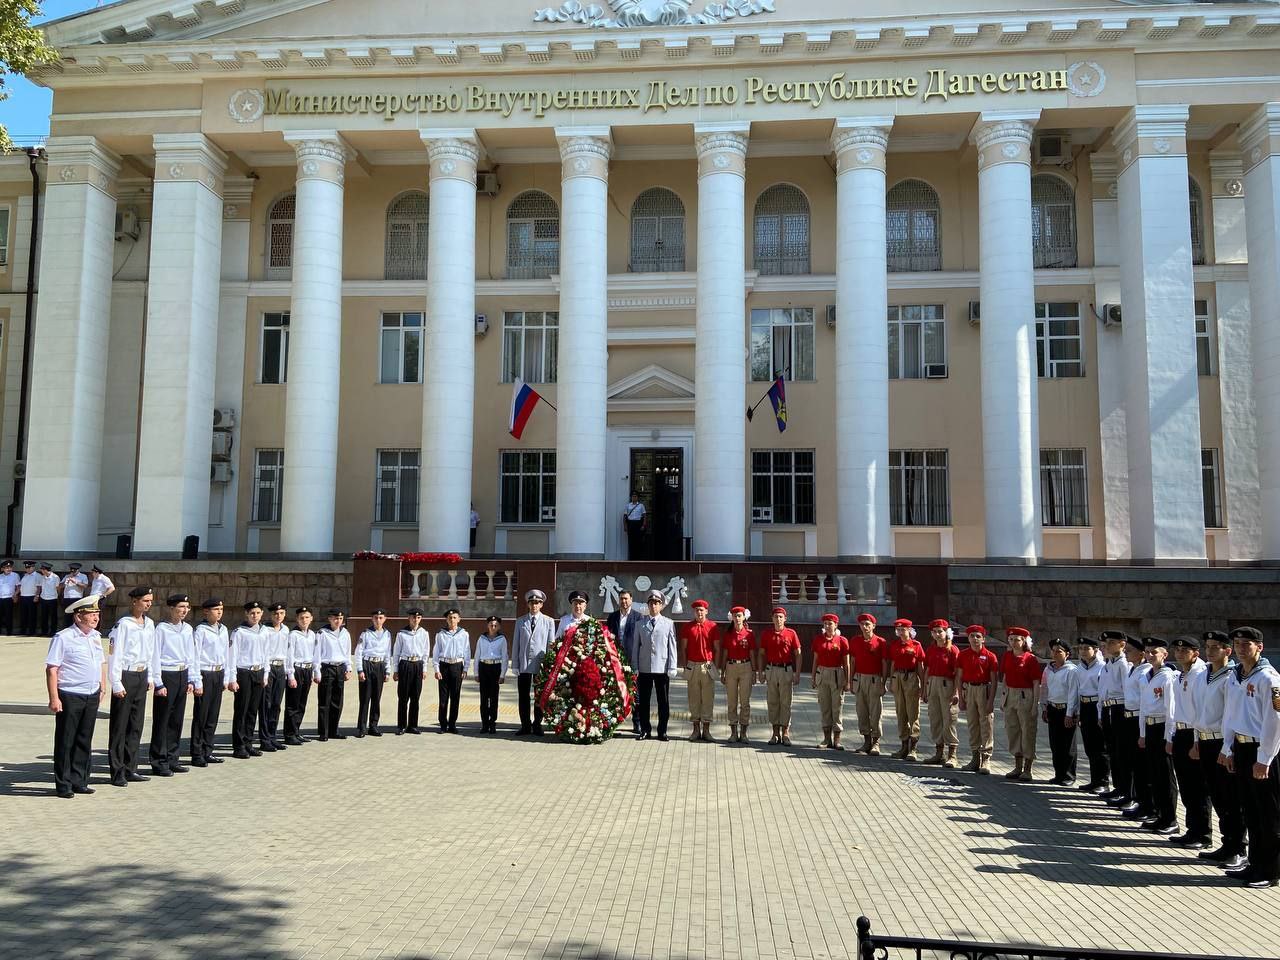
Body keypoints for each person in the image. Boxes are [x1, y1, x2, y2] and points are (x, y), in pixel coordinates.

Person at [1220, 626, 1280, 888]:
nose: (1242, 648)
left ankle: (1271, 870)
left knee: (1269, 814)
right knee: (1251, 811)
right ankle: (1255, 864)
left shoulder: (1270, 678)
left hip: (1263, 751)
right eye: (1238, 643)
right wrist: (1227, 747)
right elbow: (1231, 713)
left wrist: (1265, 758)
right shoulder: (1235, 675)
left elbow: (1275, 720)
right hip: (1242, 749)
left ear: (1259, 647)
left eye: (1248, 643)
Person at [46, 595, 107, 798]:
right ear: (78, 616)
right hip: (70, 694)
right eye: (92, 614)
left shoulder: (96, 637)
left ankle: (79, 780)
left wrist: (102, 687)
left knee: (84, 739)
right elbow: (52, 669)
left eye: (97, 614)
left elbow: (100, 664)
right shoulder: (63, 637)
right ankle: (63, 784)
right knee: (66, 740)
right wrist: (54, 698)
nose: (96, 617)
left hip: (91, 693)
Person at [1195, 630, 1245, 868]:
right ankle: (1227, 843)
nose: (1210, 650)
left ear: (1228, 650)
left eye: (1216, 647)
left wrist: (1228, 748)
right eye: (1208, 646)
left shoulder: (1231, 677)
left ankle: (1238, 848)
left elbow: (1231, 715)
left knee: (1230, 798)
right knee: (1217, 796)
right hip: (1205, 740)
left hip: (1222, 742)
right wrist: (1196, 739)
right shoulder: (1204, 674)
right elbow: (1198, 711)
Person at [107, 586, 158, 787]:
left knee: (136, 725)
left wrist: (151, 676)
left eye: (150, 600)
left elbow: (152, 651)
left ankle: (131, 767)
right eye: (145, 600)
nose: (149, 604)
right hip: (126, 675)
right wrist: (116, 681)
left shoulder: (149, 623)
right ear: (134, 601)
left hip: (141, 674)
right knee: (120, 726)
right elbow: (115, 653)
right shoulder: (123, 625)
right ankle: (117, 771)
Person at [1168, 635, 1209, 849]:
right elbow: (1175, 710)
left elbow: (1199, 710)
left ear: (1196, 653)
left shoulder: (1200, 674)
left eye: (1186, 650)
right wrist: (1171, 735)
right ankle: (1192, 830)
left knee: (1198, 787)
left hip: (1195, 733)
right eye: (1178, 650)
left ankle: (1204, 835)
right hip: (1181, 733)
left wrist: (1196, 742)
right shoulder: (1181, 675)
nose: (1180, 653)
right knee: (1186, 785)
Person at [149, 594, 195, 777]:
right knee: (163, 720)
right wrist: (158, 682)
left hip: (182, 673)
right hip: (167, 674)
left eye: (187, 607)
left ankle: (172, 758)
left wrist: (192, 678)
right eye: (181, 607)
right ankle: (159, 761)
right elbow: (155, 655)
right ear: (171, 608)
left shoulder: (188, 629)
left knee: (176, 719)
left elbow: (191, 655)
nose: (184, 610)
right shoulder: (161, 629)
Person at [1137, 636, 1178, 833]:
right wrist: (1142, 733)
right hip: (1150, 727)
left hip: (1162, 728)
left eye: (1155, 652)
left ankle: (1170, 819)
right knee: (1154, 773)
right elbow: (1143, 707)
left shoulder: (1168, 676)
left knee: (1165, 775)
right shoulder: (1147, 675)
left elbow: (1171, 710)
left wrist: (1170, 737)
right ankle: (1159, 814)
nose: (1150, 655)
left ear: (1165, 654)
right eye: (1147, 652)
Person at [228, 600, 269, 759]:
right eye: (252, 613)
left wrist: (265, 674)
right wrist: (233, 678)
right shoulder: (239, 632)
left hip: (258, 672)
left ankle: (248, 742)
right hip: (243, 672)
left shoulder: (264, 631)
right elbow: (233, 655)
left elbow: (267, 653)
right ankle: (239, 746)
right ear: (246, 614)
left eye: (258, 613)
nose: (255, 616)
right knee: (242, 710)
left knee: (253, 710)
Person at [1000, 626, 1042, 781]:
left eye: (1016, 639)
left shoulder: (1030, 658)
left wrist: (1034, 704)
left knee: (1027, 731)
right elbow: (1005, 677)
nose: (1013, 642)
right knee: (1013, 730)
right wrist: (1003, 697)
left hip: (1025, 695)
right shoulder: (1007, 656)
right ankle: (1017, 766)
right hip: (1010, 694)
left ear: (1024, 641)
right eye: (1010, 639)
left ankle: (1027, 768)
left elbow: (1036, 682)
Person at [1119, 635, 1154, 819]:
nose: (1126, 653)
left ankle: (1147, 804)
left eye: (1129, 650)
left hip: (1139, 719)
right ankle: (1139, 800)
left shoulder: (1145, 671)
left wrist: (1142, 731)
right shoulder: (1134, 669)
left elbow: (1144, 701)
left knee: (1142, 766)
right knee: (1132, 762)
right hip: (1129, 717)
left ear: (1141, 653)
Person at [190, 598, 228, 766]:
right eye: (215, 609)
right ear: (206, 611)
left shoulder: (224, 629)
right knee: (201, 715)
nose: (219, 612)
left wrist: (226, 677)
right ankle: (197, 753)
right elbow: (195, 656)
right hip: (205, 673)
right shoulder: (201, 630)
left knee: (213, 715)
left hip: (218, 673)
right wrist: (197, 680)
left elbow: (226, 654)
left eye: (221, 609)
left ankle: (208, 750)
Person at [635, 590, 678, 741]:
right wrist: (635, 666)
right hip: (645, 667)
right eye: (651, 603)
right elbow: (636, 646)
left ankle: (662, 731)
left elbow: (672, 646)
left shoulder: (668, 623)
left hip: (662, 668)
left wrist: (672, 666)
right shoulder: (640, 624)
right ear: (648, 606)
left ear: (661, 606)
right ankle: (645, 730)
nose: (654, 606)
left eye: (656, 603)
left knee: (663, 701)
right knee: (644, 701)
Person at [956, 625, 998, 774]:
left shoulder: (990, 656)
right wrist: (960, 697)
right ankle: (974, 758)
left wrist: (991, 701)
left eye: (978, 636)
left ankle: (986, 759)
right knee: (973, 724)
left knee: (986, 724)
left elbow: (994, 681)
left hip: (983, 690)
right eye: (972, 636)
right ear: (968, 638)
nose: (975, 639)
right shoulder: (963, 655)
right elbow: (959, 678)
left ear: (983, 639)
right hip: (969, 690)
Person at [512, 589, 555, 735]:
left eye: (537, 603)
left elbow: (551, 644)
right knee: (523, 695)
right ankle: (525, 725)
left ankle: (537, 724)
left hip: (540, 664)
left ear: (541, 605)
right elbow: (516, 643)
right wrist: (515, 665)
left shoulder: (549, 621)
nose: (534, 605)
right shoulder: (520, 621)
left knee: (540, 695)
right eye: (532, 602)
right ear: (528, 604)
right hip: (524, 663)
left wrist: (550, 666)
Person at [760, 606, 802, 746]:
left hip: (786, 670)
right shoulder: (767, 634)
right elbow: (761, 654)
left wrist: (797, 674)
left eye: (780, 617)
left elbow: (798, 654)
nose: (778, 619)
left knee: (786, 702)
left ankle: (785, 733)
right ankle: (775, 733)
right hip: (771, 669)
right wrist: (761, 672)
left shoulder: (791, 633)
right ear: (772, 619)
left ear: (785, 618)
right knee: (772, 702)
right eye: (776, 617)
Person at [1099, 630, 1133, 804]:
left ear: (1122, 644)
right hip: (1109, 707)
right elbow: (1103, 689)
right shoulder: (1109, 664)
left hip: (1120, 707)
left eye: (1112, 642)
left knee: (1122, 751)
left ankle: (1126, 790)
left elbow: (1126, 690)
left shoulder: (1123, 664)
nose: (1107, 645)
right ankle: (1118, 787)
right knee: (1113, 749)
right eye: (1106, 643)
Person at [922, 619, 961, 768]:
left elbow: (958, 673)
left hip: (947, 686)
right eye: (935, 632)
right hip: (933, 685)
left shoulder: (953, 650)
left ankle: (952, 755)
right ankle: (939, 753)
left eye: (940, 631)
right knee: (935, 718)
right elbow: (927, 670)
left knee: (949, 719)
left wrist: (956, 692)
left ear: (946, 632)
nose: (938, 634)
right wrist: (924, 690)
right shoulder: (931, 649)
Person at [1041, 638, 1080, 786]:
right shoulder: (1048, 669)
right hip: (1052, 708)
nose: (1055, 654)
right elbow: (1044, 689)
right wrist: (1044, 707)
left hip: (1066, 710)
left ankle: (1069, 775)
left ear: (1067, 654)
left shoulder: (1072, 670)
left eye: (1059, 651)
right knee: (1055, 744)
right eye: (1053, 651)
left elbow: (1073, 693)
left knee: (1067, 745)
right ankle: (1058, 774)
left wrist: (1070, 713)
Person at [1075, 635, 1111, 794]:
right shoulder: (1079, 667)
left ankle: (1103, 781)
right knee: (1089, 746)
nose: (1083, 651)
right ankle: (1094, 779)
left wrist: (1100, 714)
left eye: (1086, 648)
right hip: (1084, 705)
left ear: (1095, 650)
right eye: (1081, 648)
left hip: (1096, 706)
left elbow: (1103, 691)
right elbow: (1076, 690)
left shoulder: (1102, 667)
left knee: (1100, 747)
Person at [887, 619, 926, 760]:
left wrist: (923, 684)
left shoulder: (916, 645)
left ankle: (913, 748)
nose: (901, 632)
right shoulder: (895, 645)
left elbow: (920, 667)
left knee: (913, 712)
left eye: (903, 629)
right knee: (900, 712)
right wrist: (891, 680)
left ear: (910, 630)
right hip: (898, 677)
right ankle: (903, 745)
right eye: (898, 629)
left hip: (911, 678)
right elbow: (892, 664)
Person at [607, 590, 644, 735]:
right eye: (621, 599)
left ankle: (637, 722)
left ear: (631, 600)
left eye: (626, 599)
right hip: (615, 659)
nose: (624, 601)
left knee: (635, 692)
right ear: (618, 600)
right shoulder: (613, 617)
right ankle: (614, 722)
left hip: (632, 658)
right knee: (615, 691)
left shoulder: (638, 617)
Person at [681, 599, 718, 742]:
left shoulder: (712, 626)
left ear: (706, 611)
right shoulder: (687, 627)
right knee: (694, 698)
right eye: (697, 610)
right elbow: (683, 648)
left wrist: (717, 665)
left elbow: (717, 648)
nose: (699, 612)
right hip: (693, 665)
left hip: (707, 665)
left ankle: (707, 731)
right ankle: (696, 730)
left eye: (702, 610)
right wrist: (685, 665)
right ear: (694, 612)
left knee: (708, 698)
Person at [849, 613, 887, 755]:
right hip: (859, 679)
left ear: (873, 626)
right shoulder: (855, 641)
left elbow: (884, 663)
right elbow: (852, 661)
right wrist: (850, 680)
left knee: (875, 712)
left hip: (874, 680)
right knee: (862, 711)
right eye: (862, 624)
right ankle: (866, 741)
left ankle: (876, 742)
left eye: (867, 624)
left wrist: (883, 682)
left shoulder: (880, 642)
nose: (864, 627)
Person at [811, 613, 849, 750]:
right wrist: (813, 676)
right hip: (822, 673)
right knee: (825, 706)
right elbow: (815, 659)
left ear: (836, 625)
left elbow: (846, 663)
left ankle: (837, 740)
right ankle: (826, 739)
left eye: (830, 623)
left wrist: (847, 680)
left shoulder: (842, 640)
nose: (827, 626)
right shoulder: (818, 640)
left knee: (837, 707)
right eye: (825, 624)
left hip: (836, 674)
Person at [718, 606, 756, 743]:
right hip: (731, 667)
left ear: (744, 617)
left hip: (746, 667)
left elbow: (752, 653)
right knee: (732, 701)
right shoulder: (728, 634)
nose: (737, 618)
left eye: (739, 615)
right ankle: (733, 732)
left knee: (745, 702)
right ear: (732, 618)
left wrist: (754, 672)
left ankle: (744, 733)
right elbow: (725, 654)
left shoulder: (749, 634)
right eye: (735, 616)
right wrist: (722, 671)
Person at [314, 608, 353, 741]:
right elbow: (317, 653)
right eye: (335, 618)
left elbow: (347, 652)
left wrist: (349, 668)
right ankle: (323, 732)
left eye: (340, 619)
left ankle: (334, 730)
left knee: (337, 701)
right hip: (327, 667)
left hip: (340, 668)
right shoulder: (322, 633)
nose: (338, 621)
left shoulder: (345, 633)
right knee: (325, 701)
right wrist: (317, 671)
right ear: (330, 619)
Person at [354, 608, 392, 737]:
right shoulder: (365, 633)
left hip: (380, 666)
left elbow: (388, 653)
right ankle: (362, 727)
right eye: (375, 618)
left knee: (376, 697)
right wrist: (360, 670)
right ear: (372, 619)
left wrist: (388, 670)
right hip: (367, 665)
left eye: (381, 618)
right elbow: (358, 652)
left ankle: (373, 726)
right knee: (365, 698)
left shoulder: (387, 634)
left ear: (385, 619)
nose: (378, 620)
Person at [258, 602, 291, 751]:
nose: (278, 616)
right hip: (269, 666)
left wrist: (289, 672)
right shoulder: (265, 630)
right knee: (267, 704)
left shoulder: (286, 630)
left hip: (280, 667)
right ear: (270, 615)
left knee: (277, 704)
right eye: (275, 614)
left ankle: (272, 736)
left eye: (281, 613)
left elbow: (288, 652)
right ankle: (264, 739)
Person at [433, 608, 470, 734]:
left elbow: (467, 652)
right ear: (446, 620)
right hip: (444, 666)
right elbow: (436, 652)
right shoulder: (440, 634)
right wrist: (437, 669)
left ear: (459, 619)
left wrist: (465, 669)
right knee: (443, 698)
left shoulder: (464, 634)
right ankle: (443, 724)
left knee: (455, 697)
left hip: (457, 666)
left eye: (454, 617)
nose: (452, 620)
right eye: (450, 618)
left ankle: (452, 724)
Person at [283, 606, 317, 745]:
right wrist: (290, 675)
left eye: (307, 617)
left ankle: (296, 731)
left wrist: (315, 671)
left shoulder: (312, 634)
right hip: (296, 669)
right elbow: (289, 656)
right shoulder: (293, 635)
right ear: (297, 619)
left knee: (302, 703)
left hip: (307, 670)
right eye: (301, 618)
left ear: (311, 619)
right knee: (293, 704)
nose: (304, 620)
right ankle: (289, 734)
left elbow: (315, 654)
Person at [393, 608, 429, 735]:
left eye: (418, 617)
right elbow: (396, 652)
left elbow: (425, 652)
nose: (416, 620)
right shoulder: (402, 633)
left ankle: (413, 725)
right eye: (413, 617)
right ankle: (401, 725)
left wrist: (424, 669)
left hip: (418, 664)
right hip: (406, 664)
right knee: (403, 697)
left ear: (421, 619)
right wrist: (396, 670)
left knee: (415, 697)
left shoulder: (424, 633)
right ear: (409, 618)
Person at [475, 615, 508, 733]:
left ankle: (492, 723)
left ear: (499, 626)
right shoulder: (482, 638)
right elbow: (477, 655)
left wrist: (502, 674)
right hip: (484, 667)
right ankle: (484, 724)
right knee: (484, 698)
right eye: (491, 625)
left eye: (495, 625)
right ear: (487, 625)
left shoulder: (502, 639)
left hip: (495, 668)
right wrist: (476, 673)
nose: (493, 627)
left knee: (494, 698)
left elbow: (505, 656)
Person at [59, 563, 88, 628]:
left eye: (74, 571)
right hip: (67, 598)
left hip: (76, 598)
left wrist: (76, 582)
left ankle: (77, 629)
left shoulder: (83, 576)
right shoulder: (67, 576)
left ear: (78, 570)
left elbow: (85, 586)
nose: (73, 573)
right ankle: (67, 629)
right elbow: (60, 586)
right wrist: (65, 583)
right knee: (67, 615)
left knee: (77, 615)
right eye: (71, 571)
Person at [37, 562, 61, 636]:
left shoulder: (55, 577)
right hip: (44, 598)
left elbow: (58, 589)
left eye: (42, 570)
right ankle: (44, 631)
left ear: (45, 570)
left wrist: (58, 596)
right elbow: (40, 587)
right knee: (44, 616)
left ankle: (53, 631)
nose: (42, 571)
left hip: (52, 598)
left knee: (53, 616)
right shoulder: (42, 577)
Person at [18, 559, 40, 636]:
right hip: (23, 597)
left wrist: (37, 596)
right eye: (26, 568)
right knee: (23, 615)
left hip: (32, 597)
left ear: (33, 567)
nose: (28, 569)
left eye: (29, 567)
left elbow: (39, 587)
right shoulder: (24, 576)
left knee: (32, 616)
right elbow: (20, 586)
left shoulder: (37, 575)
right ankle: (23, 631)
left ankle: (32, 631)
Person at [623, 491, 646, 561]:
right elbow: (624, 517)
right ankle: (631, 558)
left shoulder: (641, 506)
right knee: (631, 542)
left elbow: (644, 516)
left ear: (637, 497)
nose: (634, 498)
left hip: (638, 524)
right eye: (633, 496)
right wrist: (625, 526)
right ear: (631, 497)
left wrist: (643, 525)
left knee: (638, 542)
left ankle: (638, 559)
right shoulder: (628, 506)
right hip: (631, 524)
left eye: (635, 496)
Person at [0, 559, 19, 635]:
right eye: (6, 567)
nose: (8, 569)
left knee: (9, 616)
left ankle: (9, 632)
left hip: (9, 598)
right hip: (0, 598)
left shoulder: (15, 575)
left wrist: (15, 595)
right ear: (3, 569)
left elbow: (18, 587)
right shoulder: (0, 576)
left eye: (10, 567)